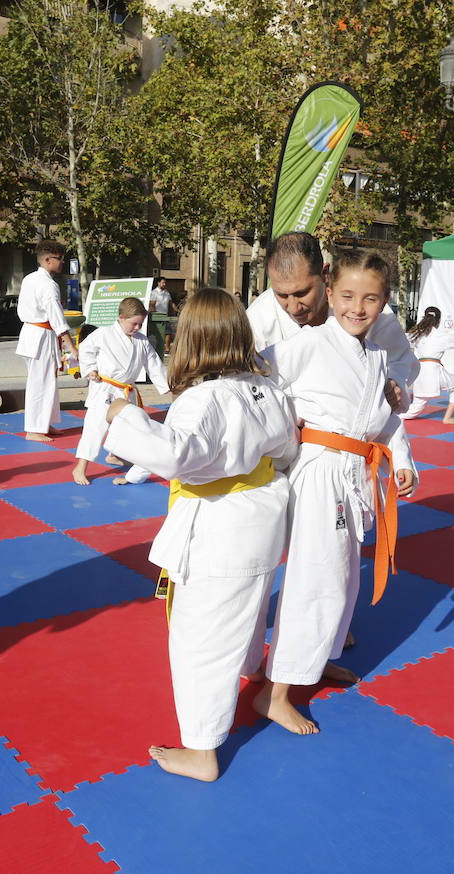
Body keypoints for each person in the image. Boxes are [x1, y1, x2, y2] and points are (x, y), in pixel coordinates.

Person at [101, 288, 299, 782]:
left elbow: (174, 456)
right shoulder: (267, 390)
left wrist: (122, 417)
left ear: (188, 339)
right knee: (249, 611)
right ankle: (255, 671)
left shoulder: (203, 399)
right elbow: (289, 450)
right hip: (262, 523)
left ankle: (202, 751)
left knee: (201, 642)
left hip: (218, 529)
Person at [256, 249, 417, 735]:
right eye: (347, 296)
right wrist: (283, 425)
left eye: (370, 299)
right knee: (315, 580)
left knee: (345, 578)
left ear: (385, 302)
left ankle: (319, 658)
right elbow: (258, 378)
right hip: (320, 473)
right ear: (332, 294)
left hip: (355, 475)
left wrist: (404, 460)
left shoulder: (375, 354)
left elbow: (381, 421)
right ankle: (274, 691)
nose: (357, 307)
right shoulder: (308, 343)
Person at [246, 232, 419, 405]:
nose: (293, 307)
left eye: (302, 293)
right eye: (281, 295)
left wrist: (394, 382)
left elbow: (403, 361)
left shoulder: (365, 311)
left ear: (325, 274)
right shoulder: (258, 317)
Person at [72, 297, 169, 486]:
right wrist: (90, 368)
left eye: (140, 324)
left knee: (130, 426)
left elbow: (153, 363)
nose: (137, 328)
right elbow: (85, 349)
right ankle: (80, 466)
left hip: (126, 391)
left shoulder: (141, 340)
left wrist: (166, 385)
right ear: (122, 318)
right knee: (96, 427)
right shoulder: (103, 334)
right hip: (105, 388)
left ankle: (115, 454)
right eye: (134, 323)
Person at [16, 240, 79, 442]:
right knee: (40, 382)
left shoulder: (29, 279)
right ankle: (34, 429)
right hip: (40, 335)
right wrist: (72, 347)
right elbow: (57, 319)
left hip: (33, 334)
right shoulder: (48, 285)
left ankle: (44, 423)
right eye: (59, 259)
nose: (62, 262)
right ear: (47, 259)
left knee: (48, 380)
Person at [400, 306, 454, 424]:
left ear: (424, 317)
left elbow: (399, 338)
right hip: (434, 372)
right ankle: (447, 418)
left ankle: (390, 415)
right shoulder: (441, 336)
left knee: (413, 411)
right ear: (439, 320)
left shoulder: (416, 335)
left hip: (420, 373)